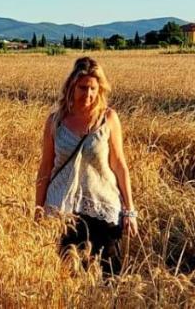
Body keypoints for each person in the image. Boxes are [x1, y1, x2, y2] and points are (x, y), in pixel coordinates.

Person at [34, 56, 138, 276]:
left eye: (93, 88)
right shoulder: (55, 121)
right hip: (64, 211)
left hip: (102, 208)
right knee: (68, 277)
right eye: (83, 88)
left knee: (109, 277)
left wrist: (129, 211)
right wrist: (38, 209)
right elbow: (45, 168)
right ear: (72, 85)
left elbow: (120, 165)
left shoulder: (108, 119)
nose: (88, 94)